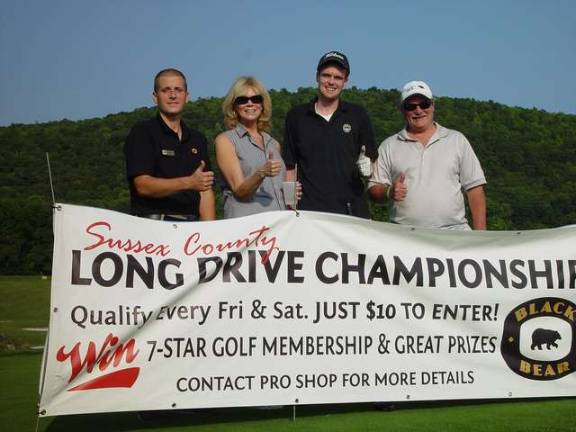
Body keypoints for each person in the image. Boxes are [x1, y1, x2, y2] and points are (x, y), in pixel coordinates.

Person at [368, 80, 486, 230]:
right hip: (404, 237)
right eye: (411, 106)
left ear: (433, 105)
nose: (418, 110)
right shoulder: (388, 145)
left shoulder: (457, 140)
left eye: (424, 104)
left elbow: (475, 189)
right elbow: (373, 190)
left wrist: (481, 236)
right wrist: (389, 191)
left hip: (454, 233)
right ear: (402, 110)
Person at [282, 51, 377, 218]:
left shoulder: (357, 114)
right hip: (309, 211)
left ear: (345, 81)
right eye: (326, 75)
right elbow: (290, 165)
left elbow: (372, 160)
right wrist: (290, 203)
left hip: (352, 210)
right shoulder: (296, 116)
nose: (331, 82)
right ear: (317, 76)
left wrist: (368, 169)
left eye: (338, 77)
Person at [124, 68, 215, 221]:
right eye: (166, 90)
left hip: (191, 230)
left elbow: (205, 190)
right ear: (155, 97)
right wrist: (189, 182)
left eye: (178, 90)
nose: (173, 95)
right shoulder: (142, 132)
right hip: (153, 228)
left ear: (187, 96)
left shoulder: (197, 139)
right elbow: (142, 185)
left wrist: (210, 233)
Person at [215, 76, 286, 218]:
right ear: (233, 106)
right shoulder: (225, 141)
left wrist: (290, 192)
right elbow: (240, 191)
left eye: (256, 99)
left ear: (263, 104)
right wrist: (261, 173)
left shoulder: (274, 144)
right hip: (246, 227)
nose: (250, 104)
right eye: (243, 100)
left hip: (278, 226)